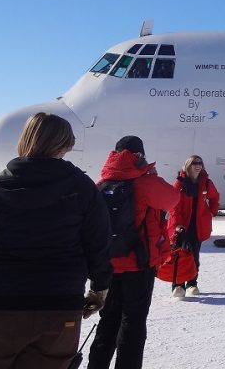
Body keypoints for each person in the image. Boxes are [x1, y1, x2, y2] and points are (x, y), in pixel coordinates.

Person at [0, 112, 112, 368]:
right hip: (60, 309)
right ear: (65, 144)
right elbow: (100, 245)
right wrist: (99, 289)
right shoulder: (84, 190)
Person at [88, 135, 178, 369]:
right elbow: (173, 199)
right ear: (139, 155)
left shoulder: (102, 182)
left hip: (108, 265)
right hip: (138, 265)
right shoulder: (145, 182)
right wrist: (151, 176)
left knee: (108, 321)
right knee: (134, 324)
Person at [167, 155, 220, 299]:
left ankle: (192, 284)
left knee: (194, 256)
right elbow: (173, 206)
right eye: (194, 163)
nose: (198, 165)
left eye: (200, 163)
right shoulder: (180, 184)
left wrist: (212, 211)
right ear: (188, 166)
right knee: (179, 256)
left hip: (198, 226)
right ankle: (178, 286)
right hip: (182, 226)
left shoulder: (206, 183)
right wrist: (177, 224)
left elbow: (215, 197)